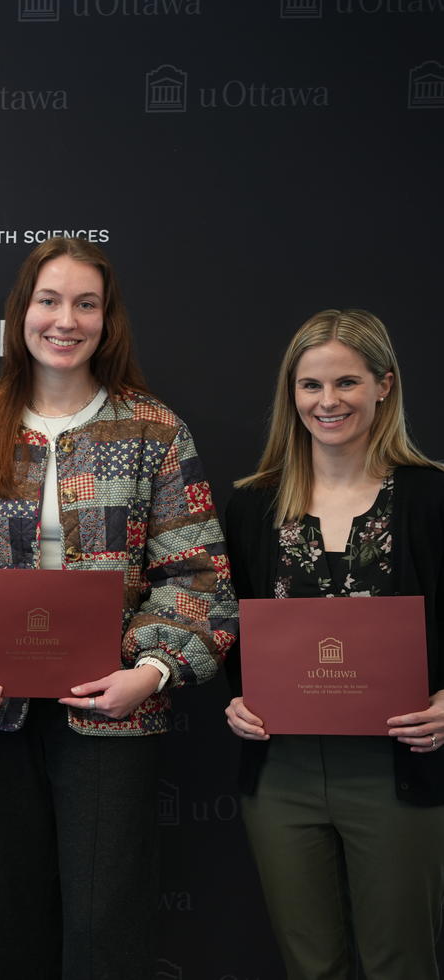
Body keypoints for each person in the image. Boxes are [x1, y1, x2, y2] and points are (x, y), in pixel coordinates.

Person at [0, 237, 236, 979]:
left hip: (113, 709)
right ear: (21, 313)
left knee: (106, 922)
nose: (65, 320)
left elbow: (199, 575)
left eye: (85, 304)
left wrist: (150, 672)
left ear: (108, 319)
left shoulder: (154, 430)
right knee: (9, 920)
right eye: (49, 300)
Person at [223, 309, 444, 979]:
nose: (328, 402)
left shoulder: (430, 497)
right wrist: (237, 700)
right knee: (311, 966)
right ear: (291, 393)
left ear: (384, 385)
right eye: (311, 385)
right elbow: (232, 628)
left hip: (398, 769)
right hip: (282, 774)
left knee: (400, 964)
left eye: (347, 382)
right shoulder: (254, 506)